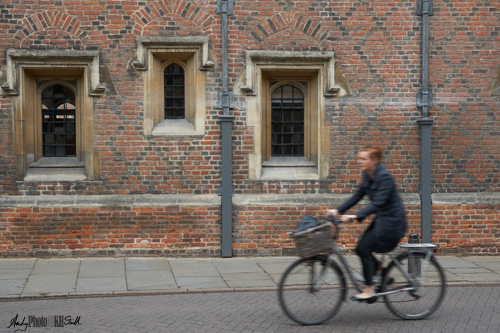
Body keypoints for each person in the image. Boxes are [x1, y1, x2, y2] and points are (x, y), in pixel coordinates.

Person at [327, 145, 407, 302]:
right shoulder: (368, 175)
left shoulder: (385, 177)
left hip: (393, 223)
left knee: (363, 249)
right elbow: (357, 196)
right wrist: (338, 211)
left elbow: (378, 203)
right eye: (359, 158)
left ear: (374, 160)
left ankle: (369, 290)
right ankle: (384, 275)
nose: (359, 161)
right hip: (382, 220)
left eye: (363, 159)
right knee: (361, 249)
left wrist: (355, 216)